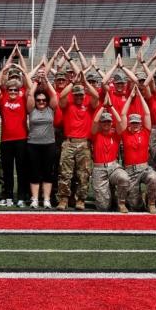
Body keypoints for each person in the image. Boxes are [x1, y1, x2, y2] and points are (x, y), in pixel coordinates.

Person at [56, 74, 96, 210]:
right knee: (65, 173)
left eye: (81, 95)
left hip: (84, 143)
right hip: (69, 142)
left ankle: (80, 199)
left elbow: (96, 96)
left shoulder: (89, 105)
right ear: (73, 95)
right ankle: (64, 199)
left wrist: (85, 83)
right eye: (76, 95)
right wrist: (72, 83)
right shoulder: (68, 105)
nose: (79, 97)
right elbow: (61, 96)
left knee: (83, 174)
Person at [0, 59, 31, 208]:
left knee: (22, 170)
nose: (12, 92)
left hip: (21, 139)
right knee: (7, 170)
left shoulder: (23, 97)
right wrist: (5, 69)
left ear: (19, 90)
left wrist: (22, 71)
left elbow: (29, 86)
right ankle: (8, 196)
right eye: (10, 90)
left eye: (15, 90)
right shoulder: (2, 97)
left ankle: (22, 197)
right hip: (6, 140)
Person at [26, 72, 59, 209]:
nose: (41, 102)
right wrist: (35, 82)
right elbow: (29, 95)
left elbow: (54, 95)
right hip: (33, 145)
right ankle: (34, 199)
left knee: (47, 173)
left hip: (49, 144)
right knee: (34, 172)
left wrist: (46, 79)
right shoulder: (31, 109)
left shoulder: (50, 109)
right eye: (38, 100)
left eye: (43, 100)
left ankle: (46, 199)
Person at [91, 105, 128, 213]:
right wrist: (102, 106)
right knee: (103, 207)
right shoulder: (95, 135)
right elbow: (94, 121)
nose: (106, 123)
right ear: (101, 124)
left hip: (113, 167)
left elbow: (120, 123)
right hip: (99, 169)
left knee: (124, 178)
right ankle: (109, 195)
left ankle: (121, 203)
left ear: (112, 123)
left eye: (108, 121)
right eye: (104, 122)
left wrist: (111, 107)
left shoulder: (116, 135)